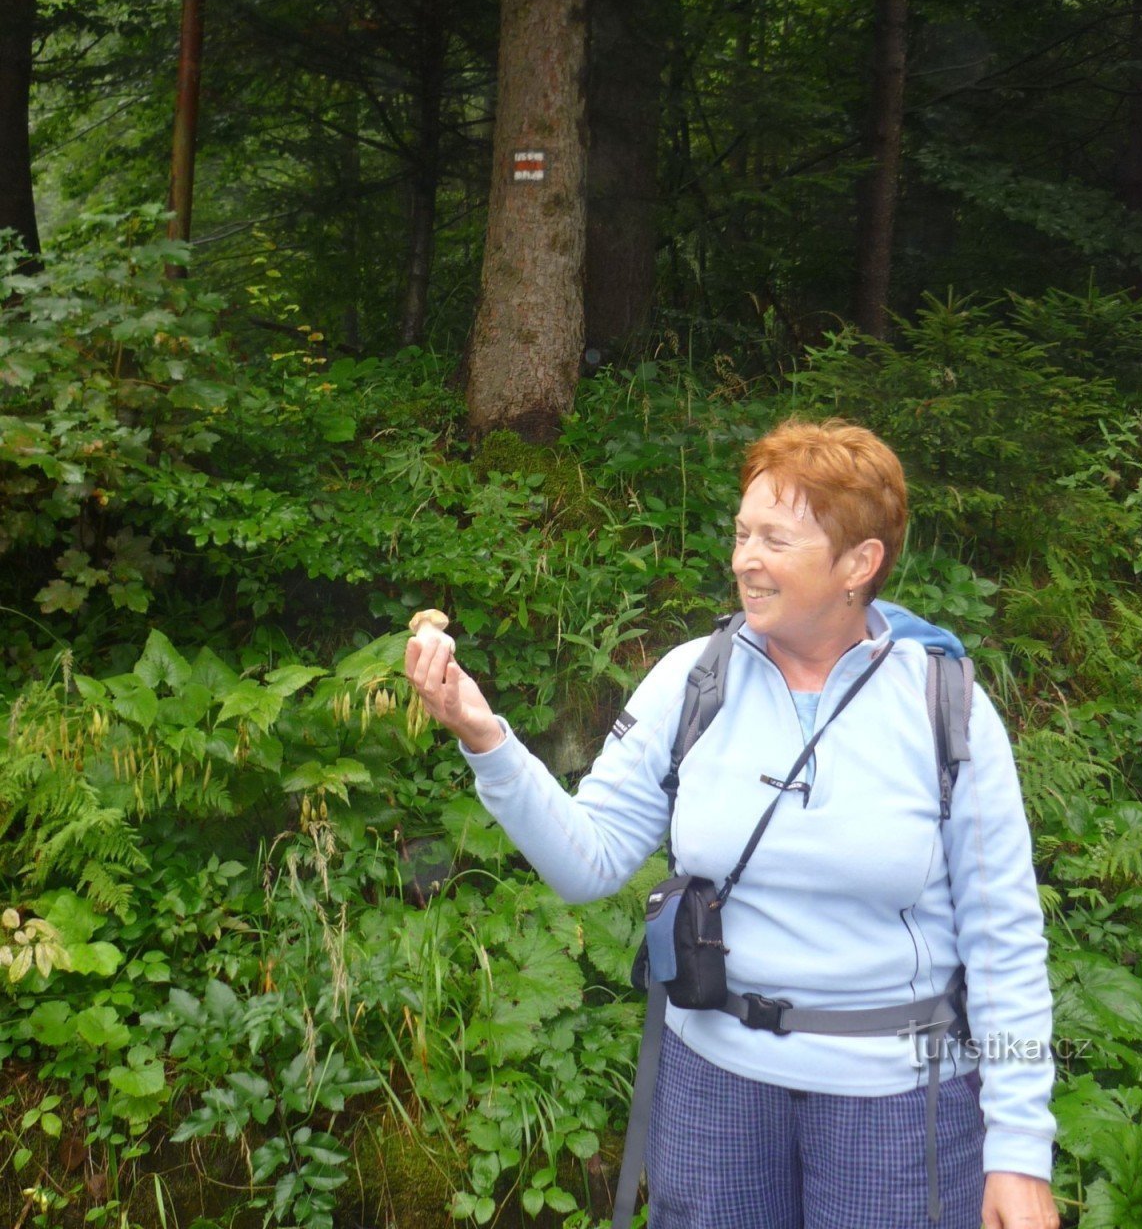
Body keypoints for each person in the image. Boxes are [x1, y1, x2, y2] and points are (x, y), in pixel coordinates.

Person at [405, 418, 1058, 1229]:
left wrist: (1021, 1150)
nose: (745, 557)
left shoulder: (943, 703)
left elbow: (1005, 939)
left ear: (860, 564)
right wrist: (485, 736)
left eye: (776, 539)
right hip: (714, 1089)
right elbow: (590, 861)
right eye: (743, 532)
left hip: (896, 1108)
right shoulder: (693, 678)